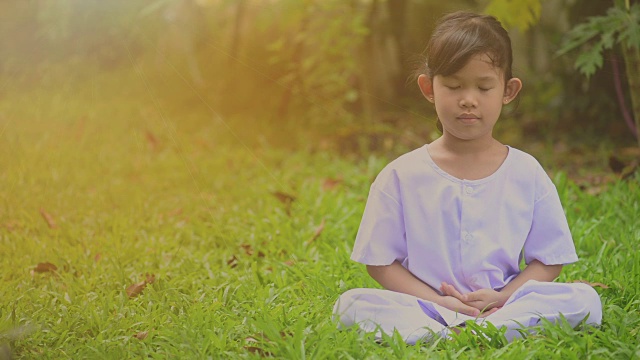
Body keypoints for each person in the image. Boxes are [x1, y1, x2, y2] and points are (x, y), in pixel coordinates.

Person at [332, 11, 602, 344]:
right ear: (428, 88)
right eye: (454, 85)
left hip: (501, 304)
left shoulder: (526, 172)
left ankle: (466, 331)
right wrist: (438, 301)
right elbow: (380, 264)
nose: (468, 100)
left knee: (584, 300)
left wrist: (503, 297)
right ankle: (457, 331)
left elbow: (549, 261)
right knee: (352, 305)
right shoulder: (401, 175)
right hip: (425, 306)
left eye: (484, 86)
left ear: (509, 90)